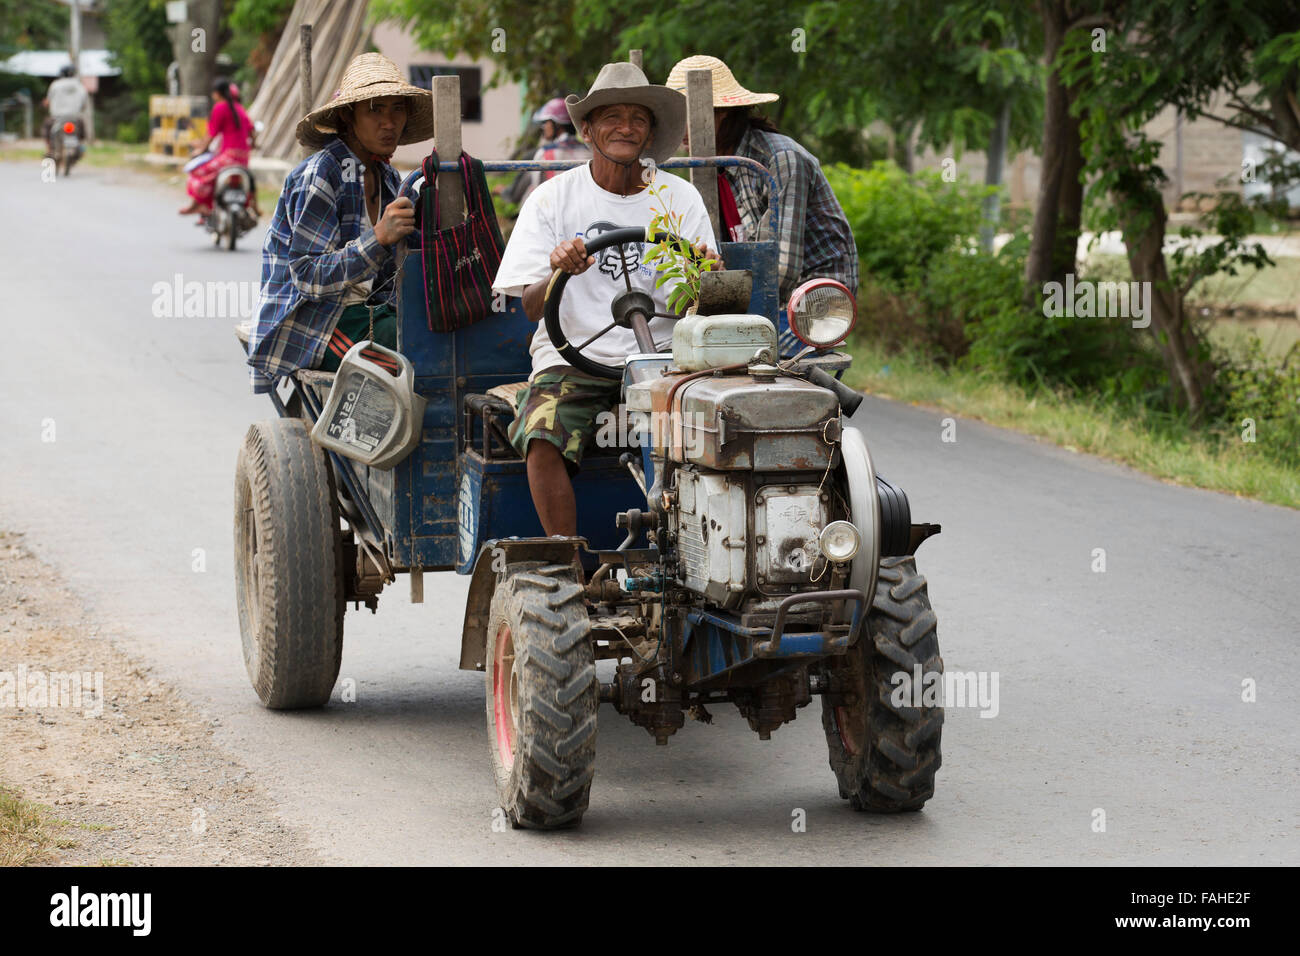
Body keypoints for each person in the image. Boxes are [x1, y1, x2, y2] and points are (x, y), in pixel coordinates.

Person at [492, 62, 720, 539]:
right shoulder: (552, 199)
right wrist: (559, 269)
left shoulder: (679, 199)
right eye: (612, 116)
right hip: (575, 361)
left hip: (668, 364)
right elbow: (532, 308)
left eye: (638, 118)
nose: (626, 127)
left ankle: (701, 561)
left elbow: (708, 302)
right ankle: (568, 566)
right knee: (540, 430)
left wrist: (708, 279)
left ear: (651, 132)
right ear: (588, 129)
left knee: (727, 427)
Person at [245, 53, 432, 394]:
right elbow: (308, 278)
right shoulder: (322, 175)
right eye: (375, 109)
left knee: (441, 337)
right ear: (349, 116)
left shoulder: (391, 179)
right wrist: (378, 238)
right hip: (314, 318)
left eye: (397, 109)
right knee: (413, 357)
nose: (389, 123)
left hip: (370, 311)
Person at [665, 55, 858, 316]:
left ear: (721, 114)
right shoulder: (708, 169)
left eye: (686, 116)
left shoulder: (780, 160)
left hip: (813, 307)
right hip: (754, 294)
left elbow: (781, 272)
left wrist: (727, 308)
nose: (679, 128)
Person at [179, 77, 257, 218]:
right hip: (243, 159)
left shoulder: (220, 108)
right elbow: (252, 131)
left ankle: (200, 205)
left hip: (228, 157)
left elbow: (211, 135)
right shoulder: (240, 109)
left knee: (197, 171)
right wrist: (254, 145)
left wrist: (200, 150)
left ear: (216, 93)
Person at [500, 97, 590, 205]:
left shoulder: (541, 154)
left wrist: (501, 190)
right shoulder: (590, 151)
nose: (543, 127)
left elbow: (515, 195)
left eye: (545, 122)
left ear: (556, 123)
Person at [42, 65, 88, 157]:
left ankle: (49, 150)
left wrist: (46, 104)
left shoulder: (55, 85)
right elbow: (84, 102)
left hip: (57, 117)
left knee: (47, 128)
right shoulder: (80, 86)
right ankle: (80, 147)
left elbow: (48, 100)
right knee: (81, 131)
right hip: (74, 117)